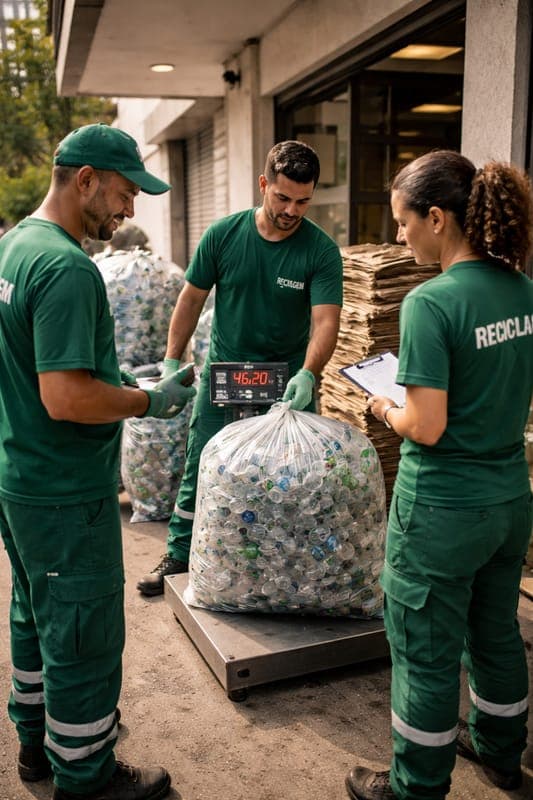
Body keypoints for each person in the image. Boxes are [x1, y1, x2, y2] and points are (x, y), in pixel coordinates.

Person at [0, 123, 196, 800]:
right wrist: (148, 401)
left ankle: (36, 747)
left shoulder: (15, 247)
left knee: (36, 614)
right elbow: (64, 395)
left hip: (22, 476)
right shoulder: (65, 267)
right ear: (84, 178)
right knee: (82, 633)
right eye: (122, 191)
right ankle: (85, 776)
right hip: (63, 488)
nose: (130, 209)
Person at [345, 150, 533, 800]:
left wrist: (381, 403)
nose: (399, 236)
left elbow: (424, 425)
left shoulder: (431, 303)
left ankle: (414, 786)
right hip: (507, 501)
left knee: (424, 654)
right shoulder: (521, 290)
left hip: (442, 513)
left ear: (436, 217)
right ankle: (500, 752)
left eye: (403, 223)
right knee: (494, 633)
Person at [137, 139, 343, 596]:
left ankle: (279, 563)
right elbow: (191, 299)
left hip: (286, 381)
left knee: (289, 476)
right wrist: (174, 360)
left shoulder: (320, 251)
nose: (292, 210)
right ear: (263, 183)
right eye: (282, 197)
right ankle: (178, 553)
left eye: (303, 201)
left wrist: (308, 373)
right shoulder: (224, 235)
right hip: (225, 374)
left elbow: (326, 321)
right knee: (201, 462)